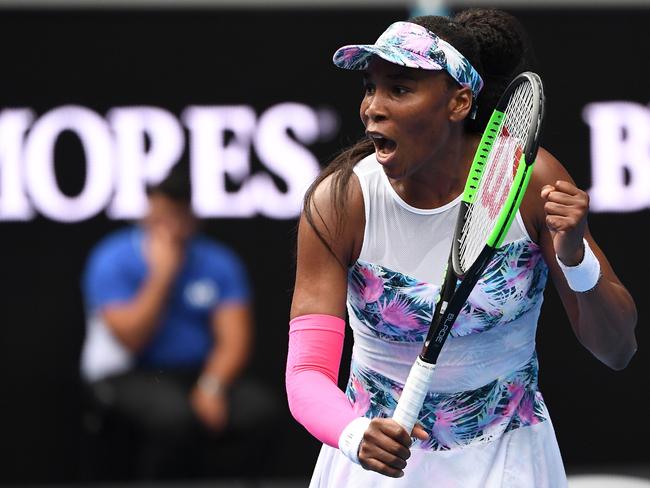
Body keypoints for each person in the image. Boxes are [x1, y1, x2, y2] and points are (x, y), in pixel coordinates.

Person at [286, 9, 637, 487]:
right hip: (372, 462)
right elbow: (307, 372)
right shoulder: (340, 200)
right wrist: (354, 433)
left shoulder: (530, 182)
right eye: (370, 87)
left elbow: (617, 349)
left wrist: (576, 260)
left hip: (509, 460)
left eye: (400, 88)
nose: (373, 106)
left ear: (459, 101)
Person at [80, 166, 273, 480]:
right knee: (173, 418)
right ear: (147, 215)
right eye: (160, 217)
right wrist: (162, 275)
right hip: (130, 371)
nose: (169, 227)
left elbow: (234, 340)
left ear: (192, 216)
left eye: (177, 216)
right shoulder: (112, 258)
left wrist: (212, 386)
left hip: (197, 373)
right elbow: (131, 338)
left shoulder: (218, 262)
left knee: (258, 411)